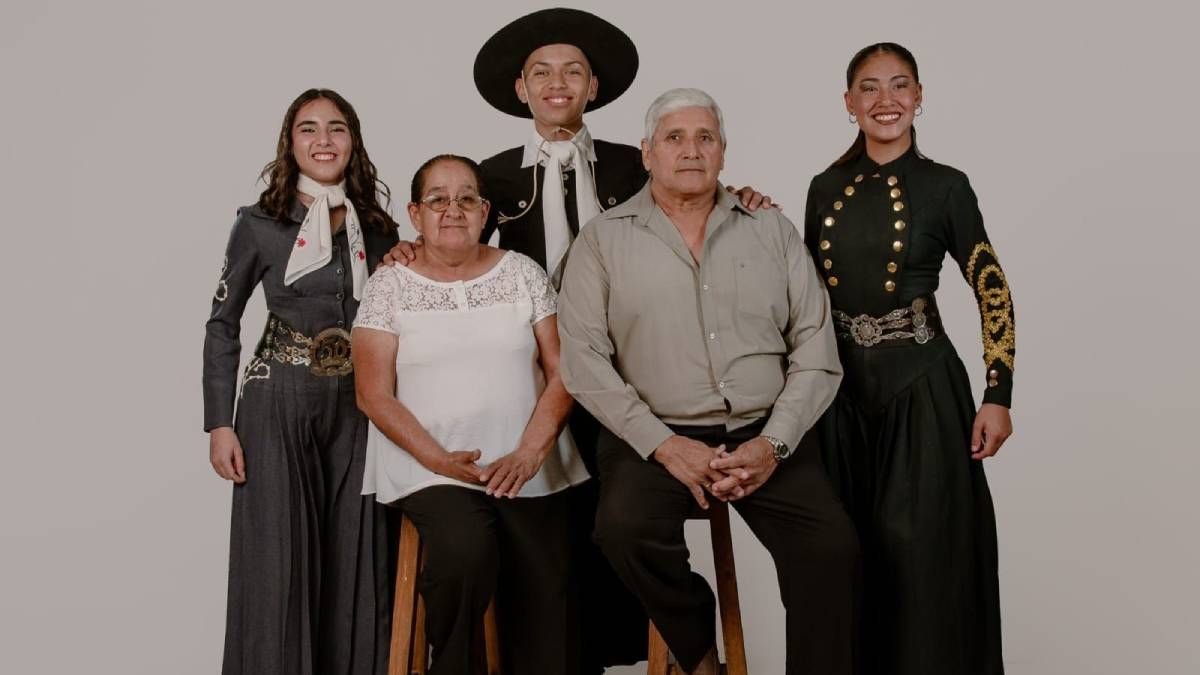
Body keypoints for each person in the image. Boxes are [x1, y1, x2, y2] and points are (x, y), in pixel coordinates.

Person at [385, 12, 773, 670]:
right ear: (521, 90)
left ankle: (669, 642)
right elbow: (454, 245)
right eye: (541, 73)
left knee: (618, 518)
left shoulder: (638, 160)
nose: (556, 83)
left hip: (638, 372)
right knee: (545, 527)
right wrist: (409, 248)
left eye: (571, 71)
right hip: (541, 376)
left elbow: (696, 198)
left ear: (593, 86)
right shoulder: (492, 177)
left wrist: (740, 197)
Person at [558, 87, 860, 675]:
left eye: (706, 138)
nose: (691, 151)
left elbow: (817, 348)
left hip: (766, 431)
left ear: (724, 151)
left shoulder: (770, 229)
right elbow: (584, 361)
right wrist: (666, 447)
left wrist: (773, 444)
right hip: (655, 437)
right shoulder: (602, 239)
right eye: (674, 138)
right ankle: (697, 651)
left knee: (832, 549)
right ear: (647, 153)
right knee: (621, 529)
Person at [803, 42, 1013, 674]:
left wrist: (998, 394)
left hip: (921, 385)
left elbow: (990, 286)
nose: (885, 100)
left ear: (919, 97)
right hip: (841, 394)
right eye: (869, 88)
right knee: (849, 553)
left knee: (920, 553)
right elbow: (804, 289)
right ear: (849, 103)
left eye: (900, 86)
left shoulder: (946, 186)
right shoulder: (824, 187)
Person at [352, 154, 590, 675]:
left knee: (550, 586)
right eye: (438, 199)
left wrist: (530, 453)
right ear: (415, 214)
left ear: (486, 212)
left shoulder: (523, 273)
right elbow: (373, 394)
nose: (452, 209)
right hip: (430, 469)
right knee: (465, 553)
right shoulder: (388, 284)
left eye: (466, 199)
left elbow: (564, 372)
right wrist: (439, 461)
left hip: (530, 466)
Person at [203, 88, 399, 675]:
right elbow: (222, 324)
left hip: (362, 403)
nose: (323, 141)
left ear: (353, 141)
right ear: (290, 143)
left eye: (336, 129)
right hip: (277, 398)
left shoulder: (379, 228)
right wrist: (219, 423)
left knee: (359, 556)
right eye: (308, 129)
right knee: (278, 564)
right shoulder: (260, 224)